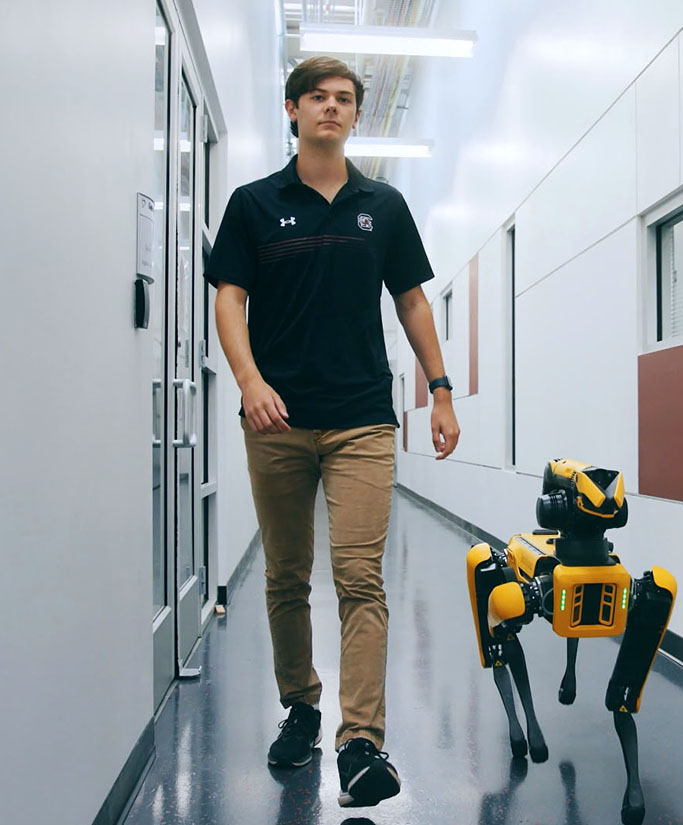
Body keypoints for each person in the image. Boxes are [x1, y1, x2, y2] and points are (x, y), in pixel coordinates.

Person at [205, 56, 459, 809]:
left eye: (344, 99)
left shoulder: (382, 205)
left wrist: (439, 389)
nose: (331, 108)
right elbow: (229, 297)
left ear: (355, 115)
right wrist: (250, 381)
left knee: (359, 578)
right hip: (276, 420)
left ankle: (360, 742)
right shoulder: (253, 204)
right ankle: (302, 706)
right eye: (317, 96)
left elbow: (411, 301)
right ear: (292, 110)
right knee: (286, 576)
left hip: (360, 419)